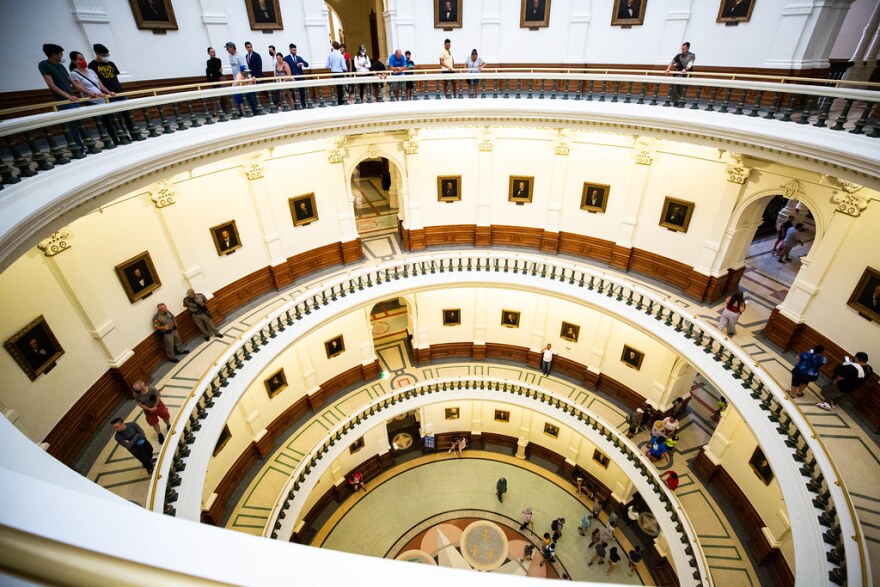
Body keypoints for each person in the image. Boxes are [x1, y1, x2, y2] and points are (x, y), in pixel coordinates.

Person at [38, 43, 85, 155]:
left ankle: (82, 146)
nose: (61, 56)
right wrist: (68, 96)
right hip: (64, 101)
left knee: (79, 124)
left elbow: (72, 82)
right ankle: (77, 149)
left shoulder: (61, 66)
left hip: (73, 99)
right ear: (54, 54)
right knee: (71, 126)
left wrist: (88, 92)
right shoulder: (44, 65)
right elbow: (51, 85)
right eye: (60, 54)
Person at [68, 50, 120, 144]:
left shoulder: (91, 71)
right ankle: (106, 141)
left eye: (83, 58)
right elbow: (79, 86)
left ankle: (115, 139)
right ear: (74, 61)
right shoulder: (74, 74)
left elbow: (100, 85)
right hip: (91, 100)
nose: (83, 61)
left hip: (102, 99)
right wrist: (89, 93)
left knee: (109, 120)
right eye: (80, 59)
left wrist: (109, 92)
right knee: (100, 122)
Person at [226, 42, 258, 116]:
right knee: (237, 96)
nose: (227, 50)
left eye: (228, 48)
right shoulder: (230, 56)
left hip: (243, 79)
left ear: (232, 47)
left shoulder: (240, 57)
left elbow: (245, 69)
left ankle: (254, 110)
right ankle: (241, 111)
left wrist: (246, 79)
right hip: (236, 79)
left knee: (249, 95)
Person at [664, 42, 695, 107]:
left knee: (682, 88)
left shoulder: (692, 55)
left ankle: (680, 101)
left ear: (688, 48)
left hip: (685, 75)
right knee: (674, 87)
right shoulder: (678, 55)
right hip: (677, 74)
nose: (682, 50)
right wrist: (668, 69)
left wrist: (685, 69)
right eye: (682, 49)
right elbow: (672, 62)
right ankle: (677, 101)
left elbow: (690, 63)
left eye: (684, 49)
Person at [284, 44, 309, 109]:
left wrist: (301, 63)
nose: (295, 51)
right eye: (293, 50)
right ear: (290, 50)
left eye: (295, 50)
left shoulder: (299, 58)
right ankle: (295, 105)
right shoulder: (286, 58)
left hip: (300, 77)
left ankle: (303, 104)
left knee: (302, 92)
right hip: (292, 78)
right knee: (292, 93)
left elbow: (307, 64)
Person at [325, 41, 348, 106]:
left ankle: (339, 102)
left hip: (334, 73)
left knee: (337, 88)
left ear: (333, 47)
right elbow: (344, 67)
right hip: (340, 73)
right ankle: (342, 101)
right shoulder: (340, 56)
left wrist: (332, 66)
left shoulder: (330, 55)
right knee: (342, 88)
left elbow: (327, 66)